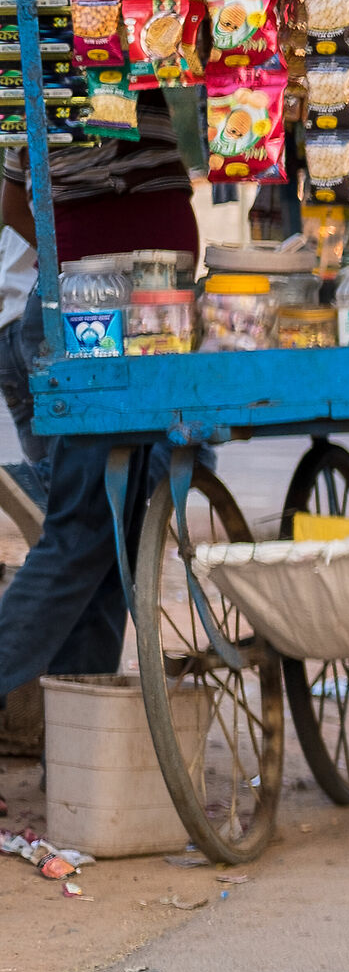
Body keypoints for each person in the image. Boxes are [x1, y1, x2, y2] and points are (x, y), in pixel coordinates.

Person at [0, 90, 201, 698]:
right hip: (88, 311)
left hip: (152, 310)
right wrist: (86, 258)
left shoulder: (150, 37)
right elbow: (13, 202)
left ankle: (77, 745)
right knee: (84, 531)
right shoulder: (44, 68)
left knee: (115, 545)